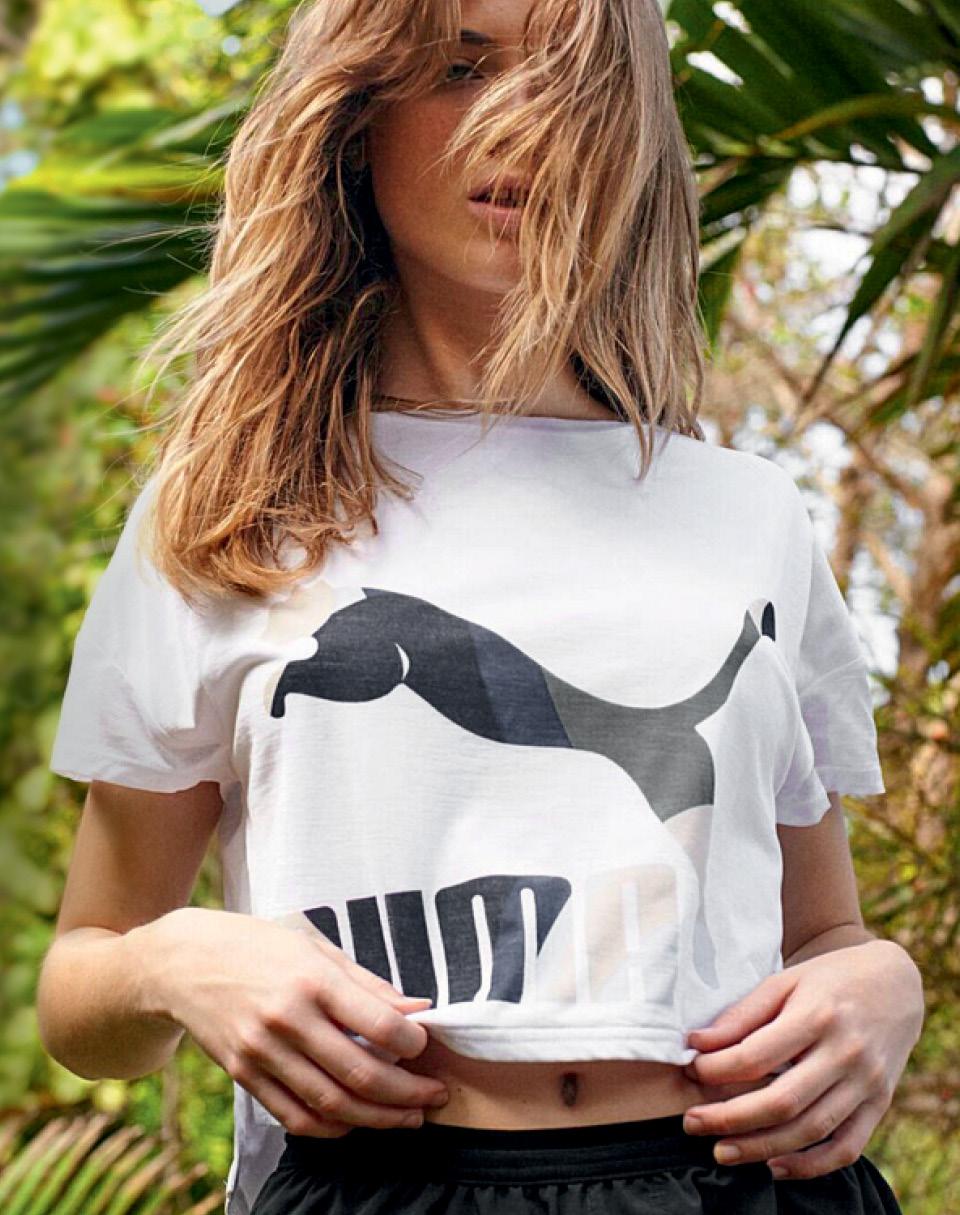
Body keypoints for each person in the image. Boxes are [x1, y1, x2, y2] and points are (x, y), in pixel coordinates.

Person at [37, 1, 925, 1213]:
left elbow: (822, 933)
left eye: (573, 84)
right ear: (356, 117)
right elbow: (82, 991)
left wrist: (882, 984)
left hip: (738, 1181)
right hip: (376, 1184)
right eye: (462, 68)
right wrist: (178, 958)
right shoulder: (228, 515)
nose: (524, 124)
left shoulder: (748, 515)